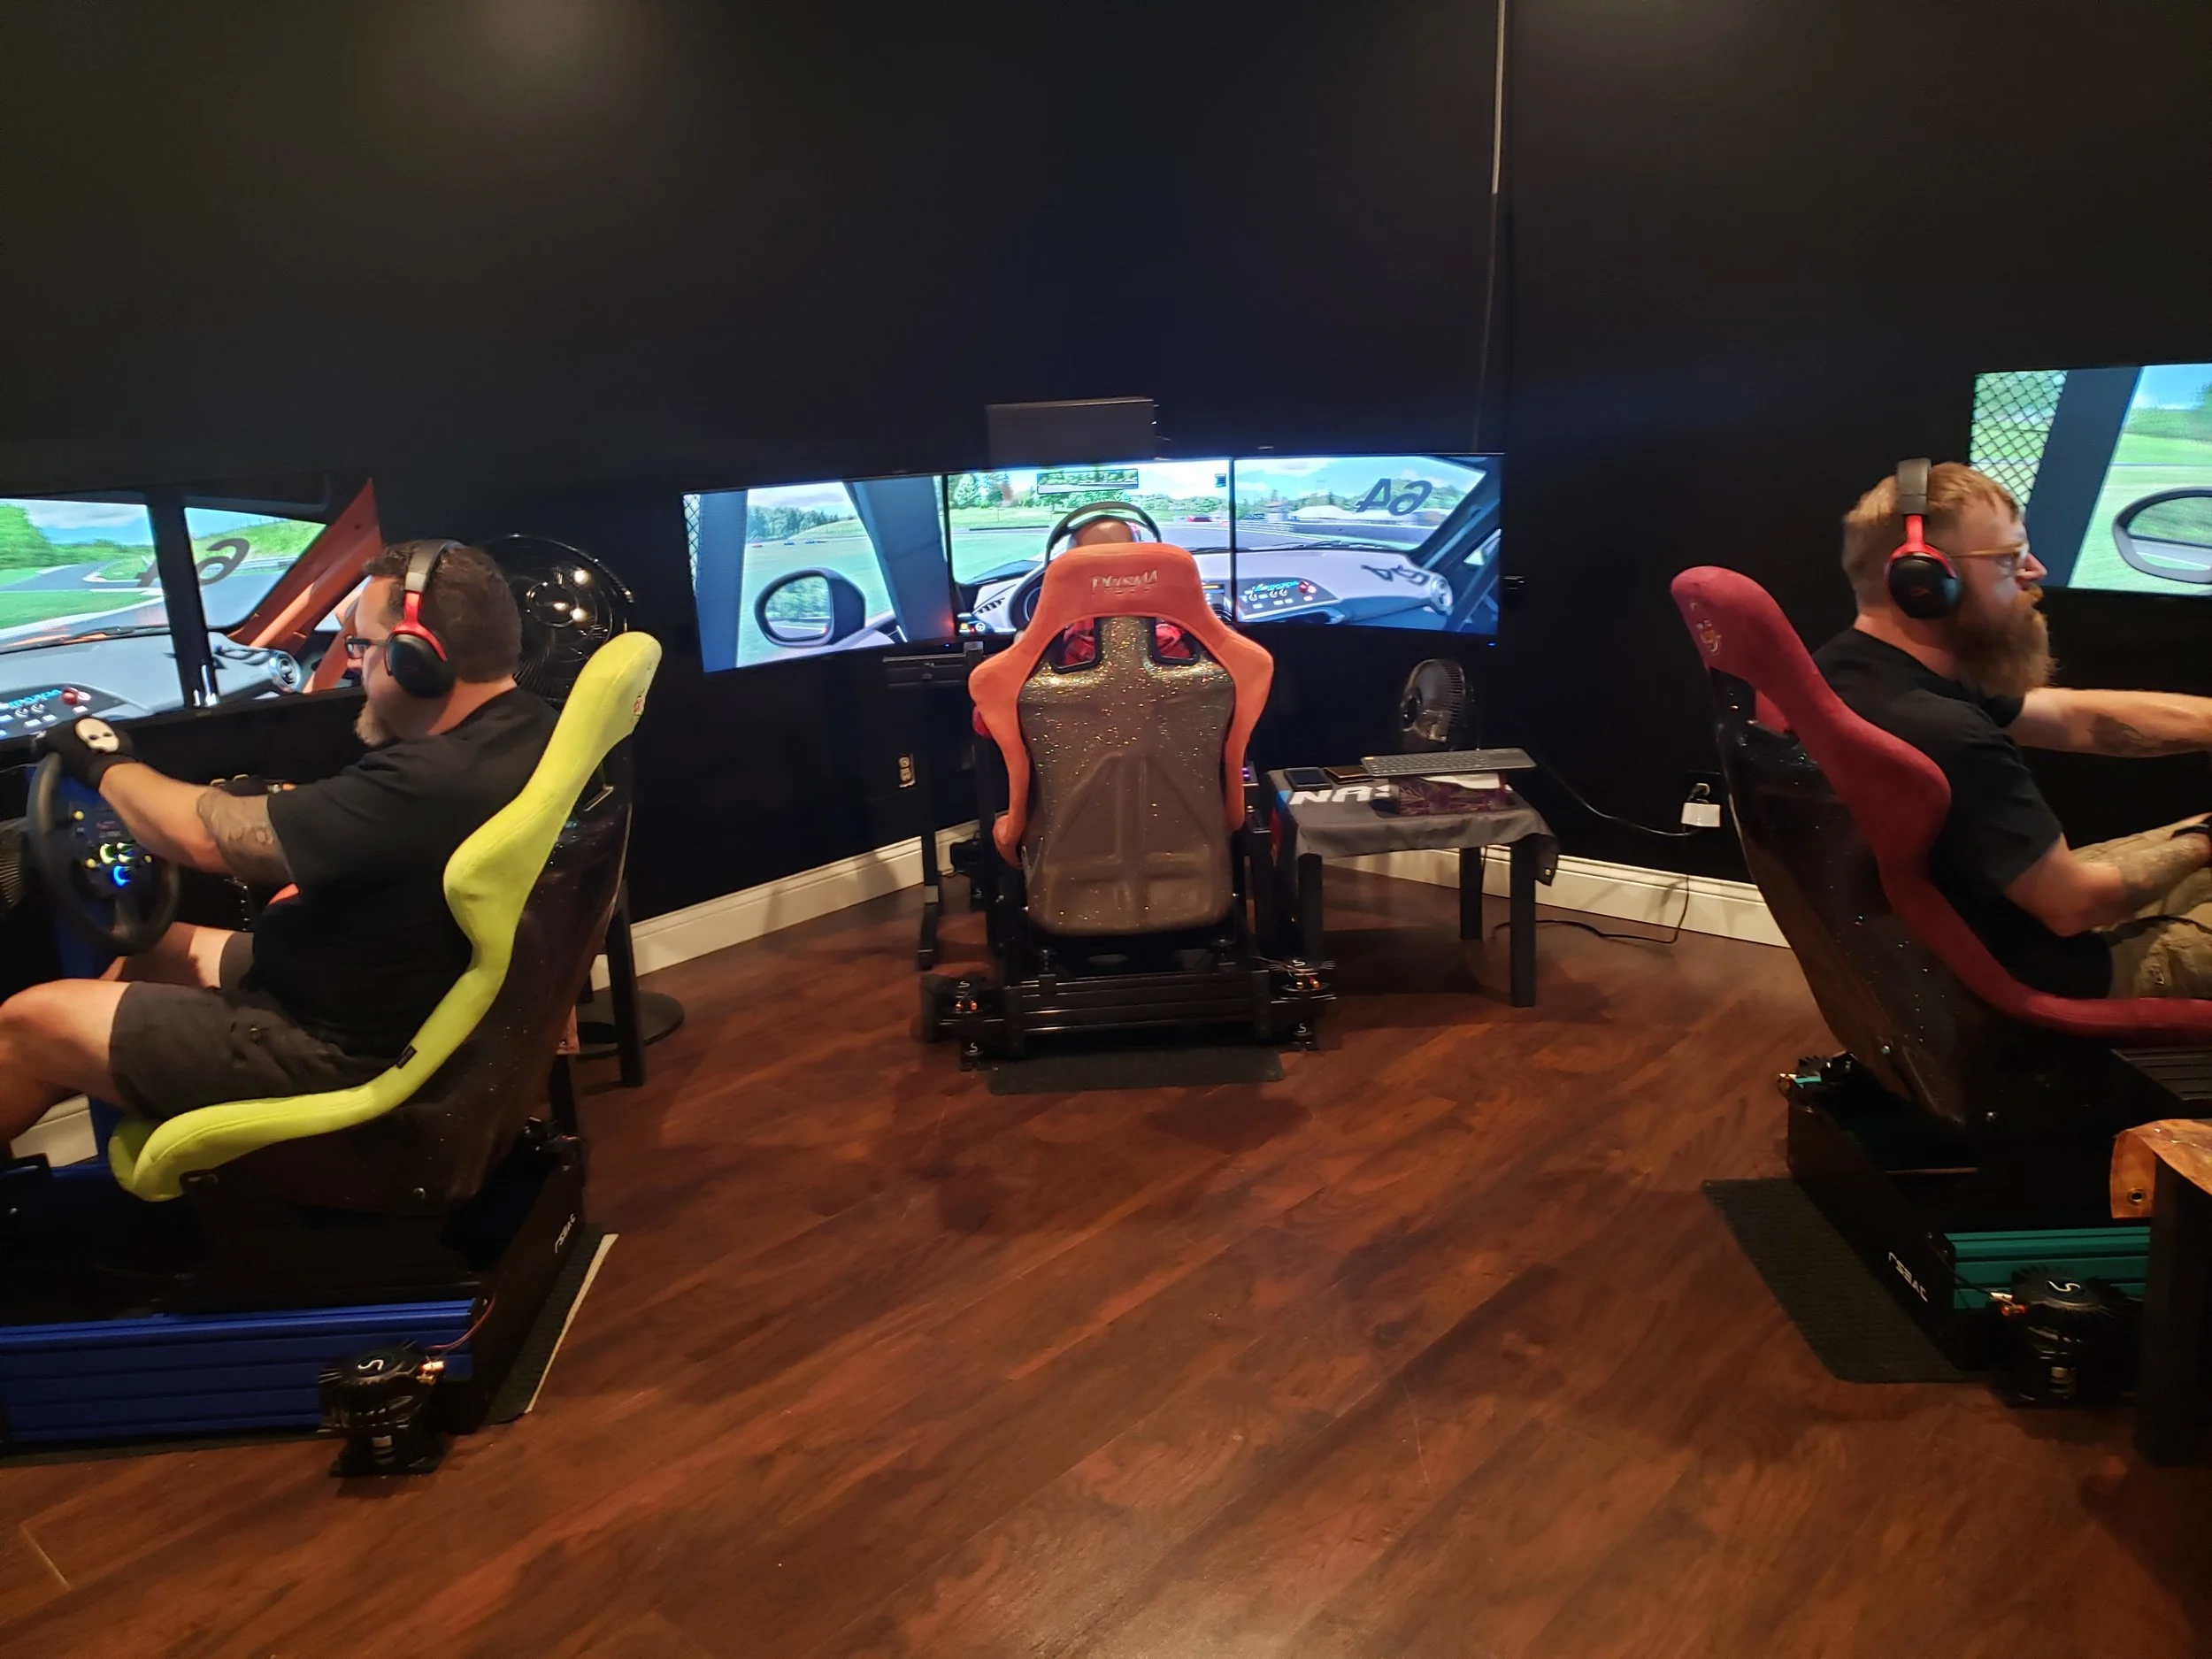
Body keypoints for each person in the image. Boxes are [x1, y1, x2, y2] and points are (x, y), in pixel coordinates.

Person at [0, 540, 557, 1145]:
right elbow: (388, 823)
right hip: (376, 989)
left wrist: (99, 757)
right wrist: (285, 797)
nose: (348, 663)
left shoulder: (431, 779)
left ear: (418, 657)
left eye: (363, 645)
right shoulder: (527, 724)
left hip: (336, 1050)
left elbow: (194, 836)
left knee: (27, 1023)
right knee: (159, 952)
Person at [1817, 463, 2212, 999]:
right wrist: (2205, 839)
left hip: (1964, 932)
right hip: (2051, 965)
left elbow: (2082, 721)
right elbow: (2073, 907)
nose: (2035, 570)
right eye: (2008, 559)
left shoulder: (1853, 670)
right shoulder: (1943, 730)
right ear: (1923, 584)